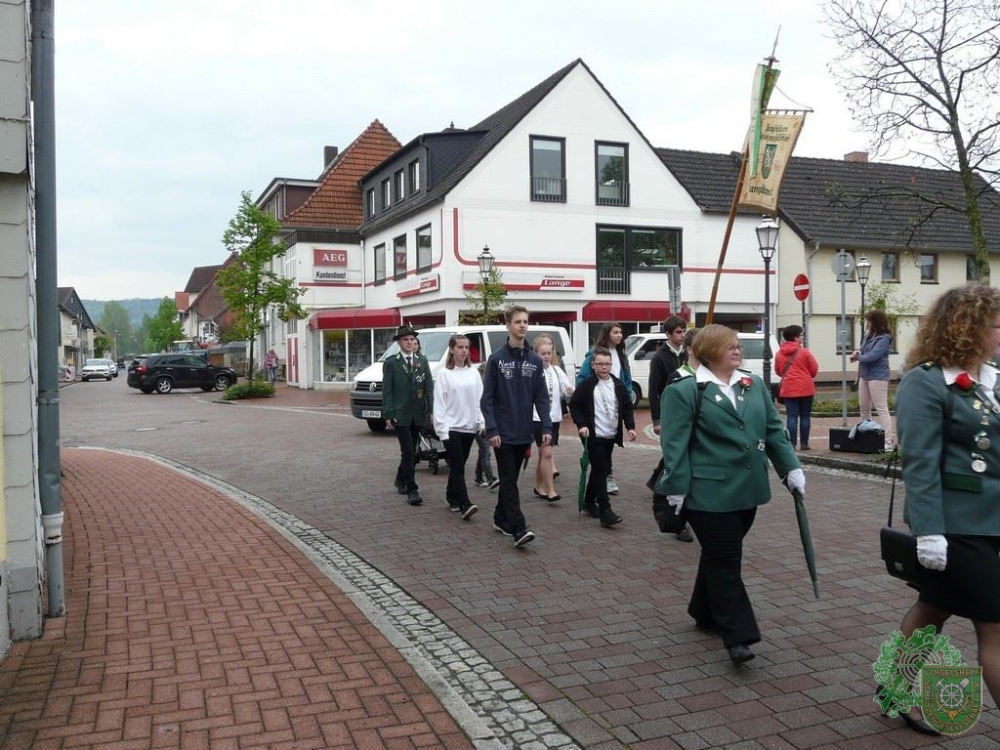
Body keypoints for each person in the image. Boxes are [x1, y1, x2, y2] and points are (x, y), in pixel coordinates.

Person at [657, 324, 803, 664]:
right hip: (707, 494)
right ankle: (738, 635)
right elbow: (674, 444)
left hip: (747, 492)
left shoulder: (752, 385)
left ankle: (702, 610)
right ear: (709, 352)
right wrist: (675, 486)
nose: (737, 351)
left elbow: (772, 429)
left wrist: (790, 468)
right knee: (726, 560)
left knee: (717, 555)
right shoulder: (685, 389)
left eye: (738, 346)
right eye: (729, 347)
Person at [893, 283, 1000, 734]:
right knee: (994, 627)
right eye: (995, 325)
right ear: (967, 329)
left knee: (933, 609)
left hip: (993, 520)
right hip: (956, 525)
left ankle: (893, 689)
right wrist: (930, 531)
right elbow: (919, 462)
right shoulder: (927, 380)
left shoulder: (990, 378)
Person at [481, 306, 551, 548]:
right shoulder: (497, 360)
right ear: (508, 325)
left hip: (524, 433)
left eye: (525, 321)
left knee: (510, 479)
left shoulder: (534, 361)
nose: (523, 325)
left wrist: (546, 427)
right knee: (509, 481)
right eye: (518, 321)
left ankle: (500, 518)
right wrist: (492, 429)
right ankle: (518, 528)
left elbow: (541, 397)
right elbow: (487, 399)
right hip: (503, 434)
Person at [570, 347, 635, 527]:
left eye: (607, 364)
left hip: (610, 434)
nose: (604, 367)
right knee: (600, 468)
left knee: (602, 469)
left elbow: (627, 407)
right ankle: (605, 509)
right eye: (600, 364)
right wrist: (582, 425)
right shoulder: (587, 385)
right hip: (594, 435)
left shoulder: (618, 385)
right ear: (593, 365)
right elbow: (574, 405)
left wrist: (630, 427)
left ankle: (588, 501)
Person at [648, 316, 694, 543]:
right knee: (673, 457)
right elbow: (654, 389)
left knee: (675, 458)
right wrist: (656, 419)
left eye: (684, 331)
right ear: (668, 334)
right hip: (669, 414)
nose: (681, 335)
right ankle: (678, 521)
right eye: (677, 332)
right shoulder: (659, 357)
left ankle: (656, 479)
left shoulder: (689, 354)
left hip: (688, 415)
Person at [577, 322, 632, 495]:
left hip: (614, 403)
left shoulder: (622, 355)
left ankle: (591, 497)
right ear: (607, 333)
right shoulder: (594, 354)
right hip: (597, 405)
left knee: (608, 446)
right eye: (616, 332)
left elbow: (626, 378)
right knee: (599, 455)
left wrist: (626, 396)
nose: (619, 335)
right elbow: (583, 378)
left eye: (621, 332)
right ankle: (604, 495)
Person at [383, 325, 434, 507]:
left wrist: (431, 410)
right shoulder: (391, 363)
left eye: (412, 339)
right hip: (400, 414)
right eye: (406, 339)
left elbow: (428, 387)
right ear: (399, 342)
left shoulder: (422, 360)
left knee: (411, 451)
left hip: (418, 413)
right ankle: (412, 489)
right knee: (408, 451)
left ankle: (400, 479)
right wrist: (388, 413)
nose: (410, 343)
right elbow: (387, 391)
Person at [432, 335, 482, 521]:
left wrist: (480, 421)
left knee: (458, 465)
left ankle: (450, 495)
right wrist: (442, 428)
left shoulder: (474, 373)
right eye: (460, 347)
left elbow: (479, 400)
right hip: (451, 426)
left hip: (468, 427)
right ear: (452, 349)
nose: (463, 351)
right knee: (458, 464)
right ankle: (464, 503)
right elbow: (440, 403)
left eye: (466, 347)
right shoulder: (445, 374)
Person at [531, 334, 573, 502]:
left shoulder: (556, 370)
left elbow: (566, 387)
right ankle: (551, 490)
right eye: (543, 353)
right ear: (536, 354)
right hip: (537, 419)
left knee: (543, 454)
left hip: (554, 419)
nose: (547, 356)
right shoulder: (533, 371)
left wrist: (570, 390)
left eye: (549, 353)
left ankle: (538, 486)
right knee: (547, 453)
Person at [851, 309, 894, 450]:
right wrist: (857, 353)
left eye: (869, 320)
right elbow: (864, 351)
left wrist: (858, 357)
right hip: (865, 375)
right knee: (864, 407)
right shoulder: (868, 334)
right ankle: (865, 435)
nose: (867, 323)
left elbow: (872, 356)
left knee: (881, 408)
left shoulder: (885, 338)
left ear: (876, 322)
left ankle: (888, 440)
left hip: (878, 376)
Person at [775, 325, 819, 451]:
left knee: (791, 417)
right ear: (795, 337)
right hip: (806, 387)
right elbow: (814, 368)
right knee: (805, 416)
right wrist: (805, 375)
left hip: (788, 388)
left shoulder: (779, 353)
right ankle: (804, 443)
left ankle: (792, 444)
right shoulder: (804, 352)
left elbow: (778, 371)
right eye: (801, 335)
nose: (802, 337)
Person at [473, 363, 500, 490]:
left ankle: (478, 476)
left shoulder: (490, 388)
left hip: (486, 423)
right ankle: (490, 478)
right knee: (485, 452)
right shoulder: (478, 389)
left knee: (482, 451)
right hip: (479, 424)